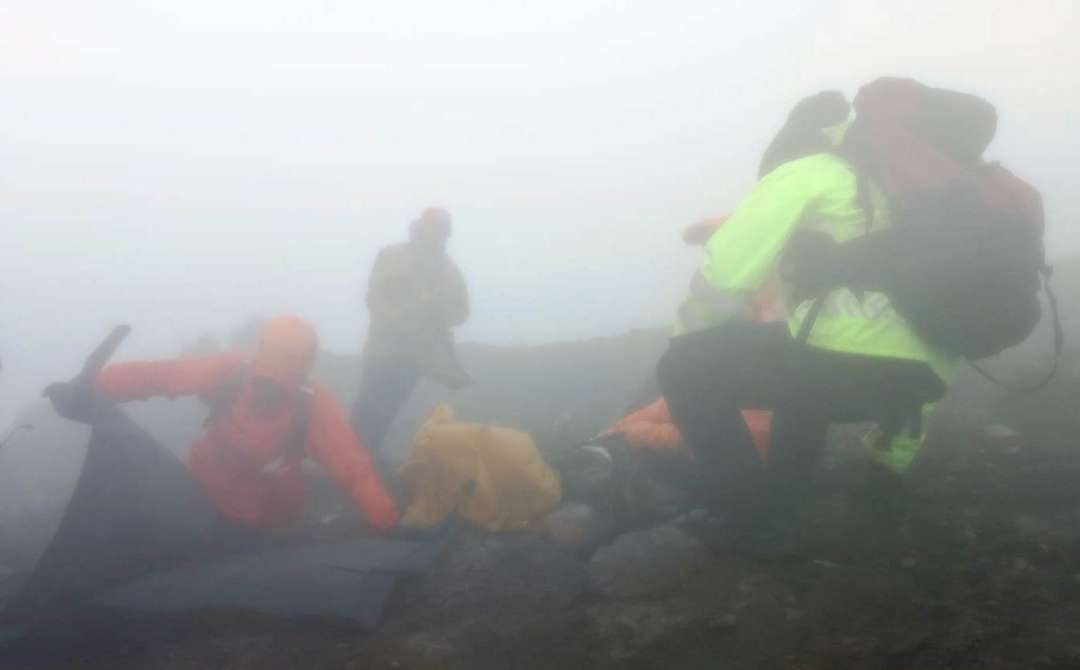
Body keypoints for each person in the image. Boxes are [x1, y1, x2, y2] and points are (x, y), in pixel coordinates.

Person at [656, 83, 983, 554]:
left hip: (843, 373)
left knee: (685, 368)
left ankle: (753, 524)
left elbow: (726, 276)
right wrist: (889, 468)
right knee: (797, 356)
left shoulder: (811, 169)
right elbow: (941, 328)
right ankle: (786, 497)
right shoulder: (928, 195)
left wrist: (685, 341)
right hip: (917, 383)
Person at [93, 315, 399, 532]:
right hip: (262, 516)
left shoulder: (234, 371)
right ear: (308, 361)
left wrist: (99, 384)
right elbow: (351, 464)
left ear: (261, 347)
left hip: (202, 496)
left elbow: (161, 377)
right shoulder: (312, 400)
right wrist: (382, 515)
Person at [353, 207, 470, 460]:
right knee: (365, 409)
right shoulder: (391, 256)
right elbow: (374, 297)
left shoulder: (450, 272)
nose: (438, 234)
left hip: (415, 357)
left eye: (443, 230)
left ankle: (365, 463)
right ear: (421, 225)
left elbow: (462, 313)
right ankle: (348, 464)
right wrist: (401, 322)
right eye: (434, 226)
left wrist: (441, 312)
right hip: (383, 350)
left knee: (387, 412)